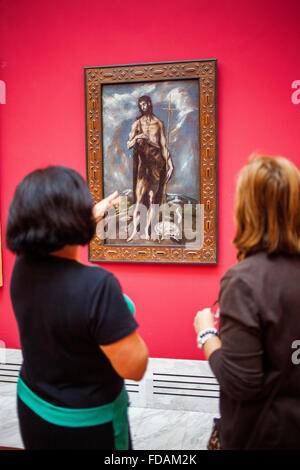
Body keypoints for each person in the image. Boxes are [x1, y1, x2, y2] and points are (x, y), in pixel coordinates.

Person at [6, 166, 149, 450]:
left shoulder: (22, 267)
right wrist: (119, 311)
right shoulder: (98, 286)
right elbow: (135, 367)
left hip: (33, 406)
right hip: (87, 425)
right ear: (72, 219)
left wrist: (95, 213)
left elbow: (55, 244)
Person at [194, 154, 300, 450]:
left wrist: (206, 334)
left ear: (246, 209)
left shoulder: (244, 282)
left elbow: (241, 383)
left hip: (265, 433)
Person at [127, 95, 173, 241]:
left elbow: (163, 146)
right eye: (140, 104)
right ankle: (135, 231)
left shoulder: (159, 124)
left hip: (156, 163)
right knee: (140, 199)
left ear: (149, 104)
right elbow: (129, 144)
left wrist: (170, 164)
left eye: (145, 104)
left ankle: (147, 231)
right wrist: (138, 137)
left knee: (152, 199)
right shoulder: (137, 124)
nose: (143, 107)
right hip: (143, 164)